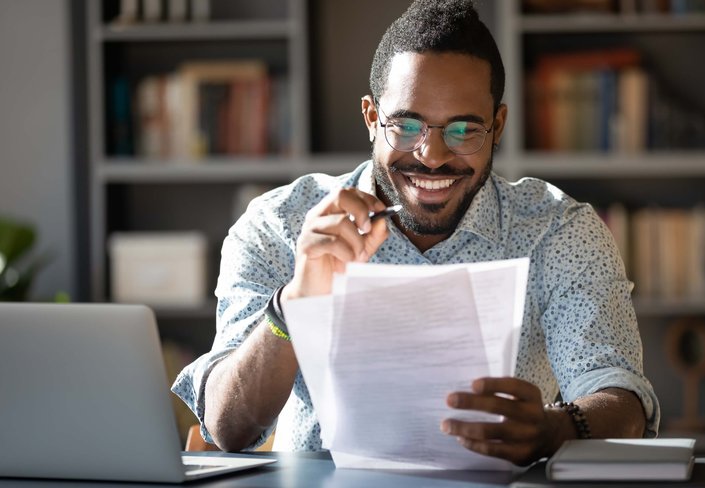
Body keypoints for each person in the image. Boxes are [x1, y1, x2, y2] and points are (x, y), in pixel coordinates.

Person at [172, 0, 660, 466]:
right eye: (406, 125)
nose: (431, 155)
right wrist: (295, 303)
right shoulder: (279, 224)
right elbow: (226, 427)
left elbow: (623, 400)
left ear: (498, 126)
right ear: (370, 118)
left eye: (464, 130)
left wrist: (553, 430)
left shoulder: (557, 231)